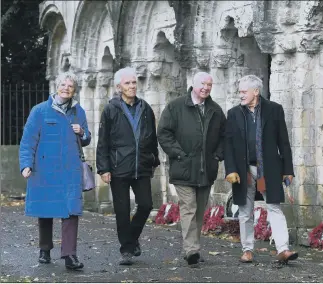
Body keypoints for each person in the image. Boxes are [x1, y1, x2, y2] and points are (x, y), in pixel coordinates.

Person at [19, 71, 91, 270]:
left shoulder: (79, 112)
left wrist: (83, 132)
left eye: (70, 86)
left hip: (70, 170)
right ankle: (44, 249)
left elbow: (87, 139)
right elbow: (28, 141)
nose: (66, 88)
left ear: (74, 89)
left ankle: (70, 255)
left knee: (71, 211)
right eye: (63, 85)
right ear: (56, 87)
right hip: (45, 169)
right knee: (46, 209)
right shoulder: (39, 111)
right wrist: (26, 164)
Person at [224, 75, 298, 264]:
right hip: (244, 170)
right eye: (239, 91)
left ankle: (283, 249)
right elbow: (228, 144)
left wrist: (288, 170)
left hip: (268, 169)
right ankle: (247, 250)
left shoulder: (274, 110)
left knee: (274, 207)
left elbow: (284, 142)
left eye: (244, 91)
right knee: (245, 210)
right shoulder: (233, 114)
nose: (240, 95)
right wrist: (230, 169)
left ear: (255, 92)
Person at [157, 72, 226, 266]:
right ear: (193, 84)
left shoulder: (215, 110)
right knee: (189, 207)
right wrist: (178, 154)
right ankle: (191, 250)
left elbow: (224, 135)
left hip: (207, 169)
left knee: (200, 210)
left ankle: (193, 246)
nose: (206, 87)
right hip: (183, 168)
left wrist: (217, 155)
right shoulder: (175, 106)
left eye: (209, 85)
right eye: (202, 84)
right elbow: (164, 133)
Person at [96, 67, 160, 265]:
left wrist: (153, 160)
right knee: (122, 210)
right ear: (118, 87)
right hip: (118, 166)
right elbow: (103, 141)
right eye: (127, 83)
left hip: (141, 166)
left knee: (146, 205)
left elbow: (152, 137)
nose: (132, 86)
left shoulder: (145, 108)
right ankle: (126, 250)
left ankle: (131, 239)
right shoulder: (110, 109)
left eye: (134, 82)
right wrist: (104, 168)